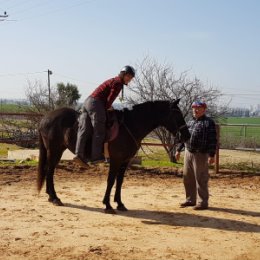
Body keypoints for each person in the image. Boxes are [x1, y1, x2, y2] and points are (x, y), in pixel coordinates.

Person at [74, 65, 135, 166]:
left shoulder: (113, 80)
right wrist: (109, 107)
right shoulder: (118, 83)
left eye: (131, 78)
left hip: (87, 102)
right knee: (99, 130)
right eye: (128, 76)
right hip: (97, 104)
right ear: (123, 74)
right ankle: (96, 157)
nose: (129, 79)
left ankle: (78, 155)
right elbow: (109, 99)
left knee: (84, 129)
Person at [175, 100, 217, 210]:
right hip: (188, 153)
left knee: (201, 178)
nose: (196, 110)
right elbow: (184, 137)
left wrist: (212, 155)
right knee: (187, 178)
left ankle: (203, 202)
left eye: (198, 108)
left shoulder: (208, 123)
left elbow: (213, 140)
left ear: (204, 109)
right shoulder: (189, 122)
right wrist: (179, 150)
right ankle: (190, 200)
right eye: (194, 108)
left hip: (201, 154)